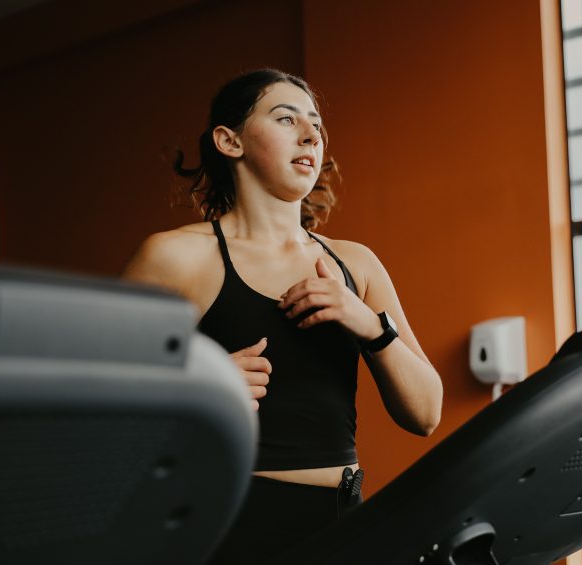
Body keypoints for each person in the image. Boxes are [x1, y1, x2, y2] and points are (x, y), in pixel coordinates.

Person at [122, 68, 443, 563]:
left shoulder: (354, 264)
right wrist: (197, 386)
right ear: (230, 141)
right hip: (231, 524)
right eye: (285, 118)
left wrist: (368, 324)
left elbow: (426, 414)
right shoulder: (178, 258)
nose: (311, 134)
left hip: (345, 521)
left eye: (315, 124)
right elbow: (94, 405)